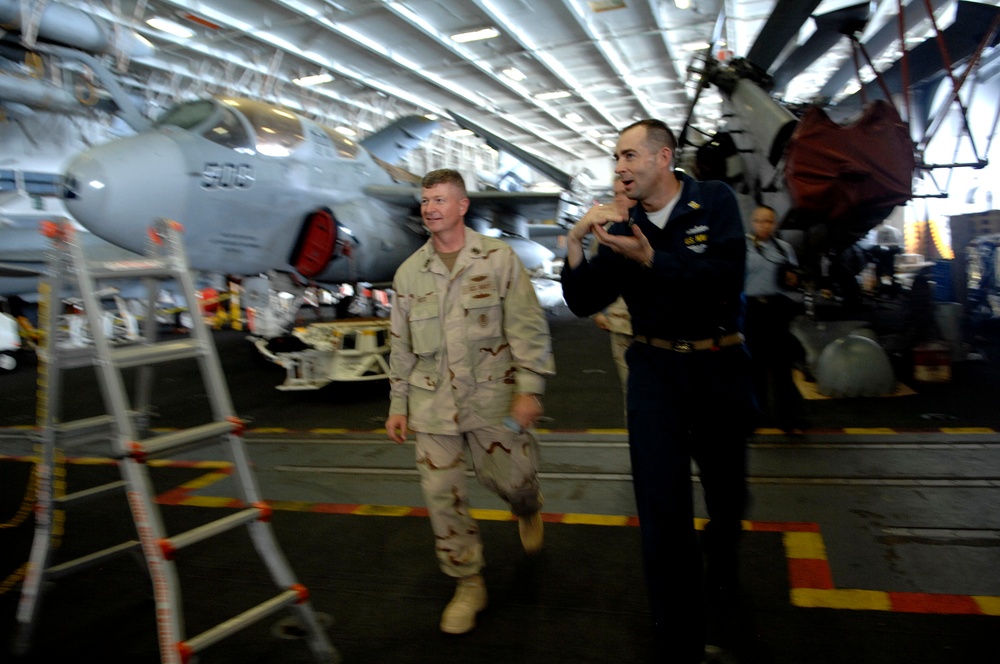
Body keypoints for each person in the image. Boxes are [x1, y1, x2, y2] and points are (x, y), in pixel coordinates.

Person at [561, 119, 754, 663]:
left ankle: (722, 558)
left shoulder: (713, 201)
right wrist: (577, 241)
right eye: (615, 159)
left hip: (717, 367)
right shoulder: (622, 226)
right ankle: (680, 640)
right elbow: (583, 301)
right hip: (654, 375)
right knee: (663, 514)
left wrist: (653, 259)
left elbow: (725, 277)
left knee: (728, 498)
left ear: (662, 157)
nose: (618, 168)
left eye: (627, 156)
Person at [385, 168, 555, 636]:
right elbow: (400, 345)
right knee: (442, 496)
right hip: (432, 404)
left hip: (493, 397)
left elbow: (527, 325)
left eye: (440, 200)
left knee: (512, 479)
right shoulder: (408, 273)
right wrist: (398, 404)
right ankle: (468, 582)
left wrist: (529, 388)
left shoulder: (497, 259)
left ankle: (527, 505)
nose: (430, 208)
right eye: (425, 201)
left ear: (462, 206)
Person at [744, 204, 805, 432]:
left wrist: (793, 279)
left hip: (776, 310)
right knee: (753, 368)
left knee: (782, 368)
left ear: (775, 224)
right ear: (752, 222)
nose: (764, 226)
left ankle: (789, 420)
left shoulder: (783, 248)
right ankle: (752, 418)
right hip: (751, 310)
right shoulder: (743, 246)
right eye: (760, 221)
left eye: (769, 221)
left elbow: (793, 279)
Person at [591, 179, 637, 419]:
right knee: (631, 389)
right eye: (616, 193)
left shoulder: (653, 222)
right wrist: (597, 312)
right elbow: (594, 276)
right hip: (620, 322)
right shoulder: (604, 229)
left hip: (656, 323)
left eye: (626, 192)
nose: (620, 198)